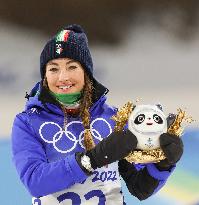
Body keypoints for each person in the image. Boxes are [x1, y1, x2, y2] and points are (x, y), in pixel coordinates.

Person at [11, 24, 183, 205]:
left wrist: (163, 164)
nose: (63, 77)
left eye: (72, 67)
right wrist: (91, 160)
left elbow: (140, 187)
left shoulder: (115, 118)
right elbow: (35, 181)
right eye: (53, 69)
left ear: (87, 73)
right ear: (44, 76)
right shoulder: (27, 122)